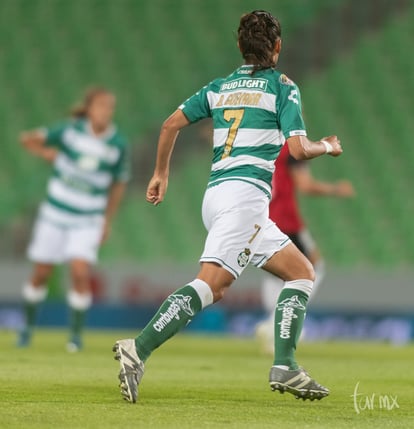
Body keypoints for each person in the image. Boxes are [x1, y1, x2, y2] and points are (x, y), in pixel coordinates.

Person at [113, 10, 344, 403]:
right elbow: (298, 149)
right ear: (277, 47)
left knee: (301, 272)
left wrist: (160, 174)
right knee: (211, 285)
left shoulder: (221, 87)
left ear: (239, 46)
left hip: (220, 195)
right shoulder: (283, 87)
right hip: (245, 201)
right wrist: (328, 145)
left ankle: (285, 364)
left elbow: (170, 124)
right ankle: (138, 349)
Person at [17, 87, 130, 352]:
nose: (106, 111)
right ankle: (27, 328)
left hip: (87, 218)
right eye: (101, 106)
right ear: (90, 108)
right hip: (55, 214)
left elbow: (119, 184)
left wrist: (107, 220)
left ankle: (75, 336)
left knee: (79, 272)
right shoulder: (69, 131)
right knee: (41, 273)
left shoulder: (118, 145)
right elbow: (27, 139)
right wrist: (48, 154)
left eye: (110, 107)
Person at [256, 143, 355, 353]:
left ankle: (272, 323)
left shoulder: (264, 145)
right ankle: (277, 323)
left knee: (278, 275)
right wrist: (337, 189)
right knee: (313, 269)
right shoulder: (293, 149)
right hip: (287, 221)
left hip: (264, 219)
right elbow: (305, 185)